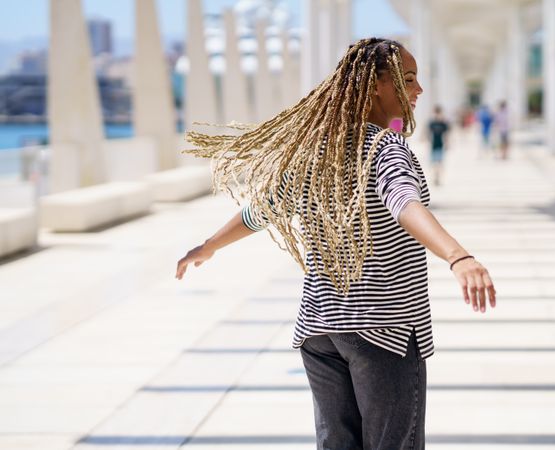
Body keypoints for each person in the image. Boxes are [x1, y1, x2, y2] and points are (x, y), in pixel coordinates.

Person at [176, 38, 496, 450]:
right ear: (375, 85)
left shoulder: (315, 153)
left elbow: (264, 209)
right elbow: (404, 203)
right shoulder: (386, 148)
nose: (418, 91)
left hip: (320, 330)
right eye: (409, 79)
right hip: (383, 330)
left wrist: (209, 245)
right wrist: (459, 256)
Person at [428, 105, 451, 186]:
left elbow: (446, 134)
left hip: (440, 145)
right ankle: (435, 177)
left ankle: (438, 178)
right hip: (433, 145)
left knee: (439, 163)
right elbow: (428, 133)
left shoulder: (443, 123)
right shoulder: (432, 122)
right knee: (434, 163)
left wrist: (447, 143)